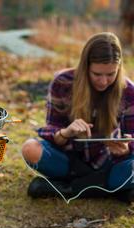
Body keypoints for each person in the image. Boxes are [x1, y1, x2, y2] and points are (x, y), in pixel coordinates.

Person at [21, 32, 134, 202]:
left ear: (118, 69)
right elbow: (52, 130)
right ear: (85, 66)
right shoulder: (63, 82)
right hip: (69, 161)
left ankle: (68, 188)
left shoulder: (128, 91)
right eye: (97, 74)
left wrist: (125, 148)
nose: (103, 81)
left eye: (111, 74)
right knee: (30, 148)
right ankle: (112, 190)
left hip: (110, 164)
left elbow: (131, 139)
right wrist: (66, 132)